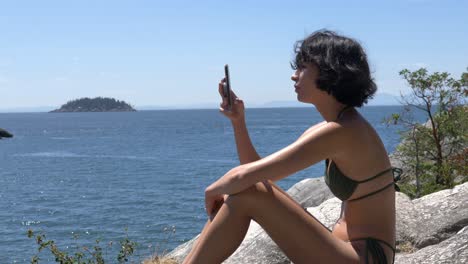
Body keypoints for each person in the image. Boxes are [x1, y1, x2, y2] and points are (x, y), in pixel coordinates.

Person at [183, 30, 400, 264]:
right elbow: (259, 174)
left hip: (364, 259)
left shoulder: (343, 132)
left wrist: (212, 189)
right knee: (247, 189)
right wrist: (238, 122)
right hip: (343, 251)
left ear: (331, 72)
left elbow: (248, 177)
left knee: (247, 190)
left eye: (303, 67)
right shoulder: (332, 127)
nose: (294, 76)